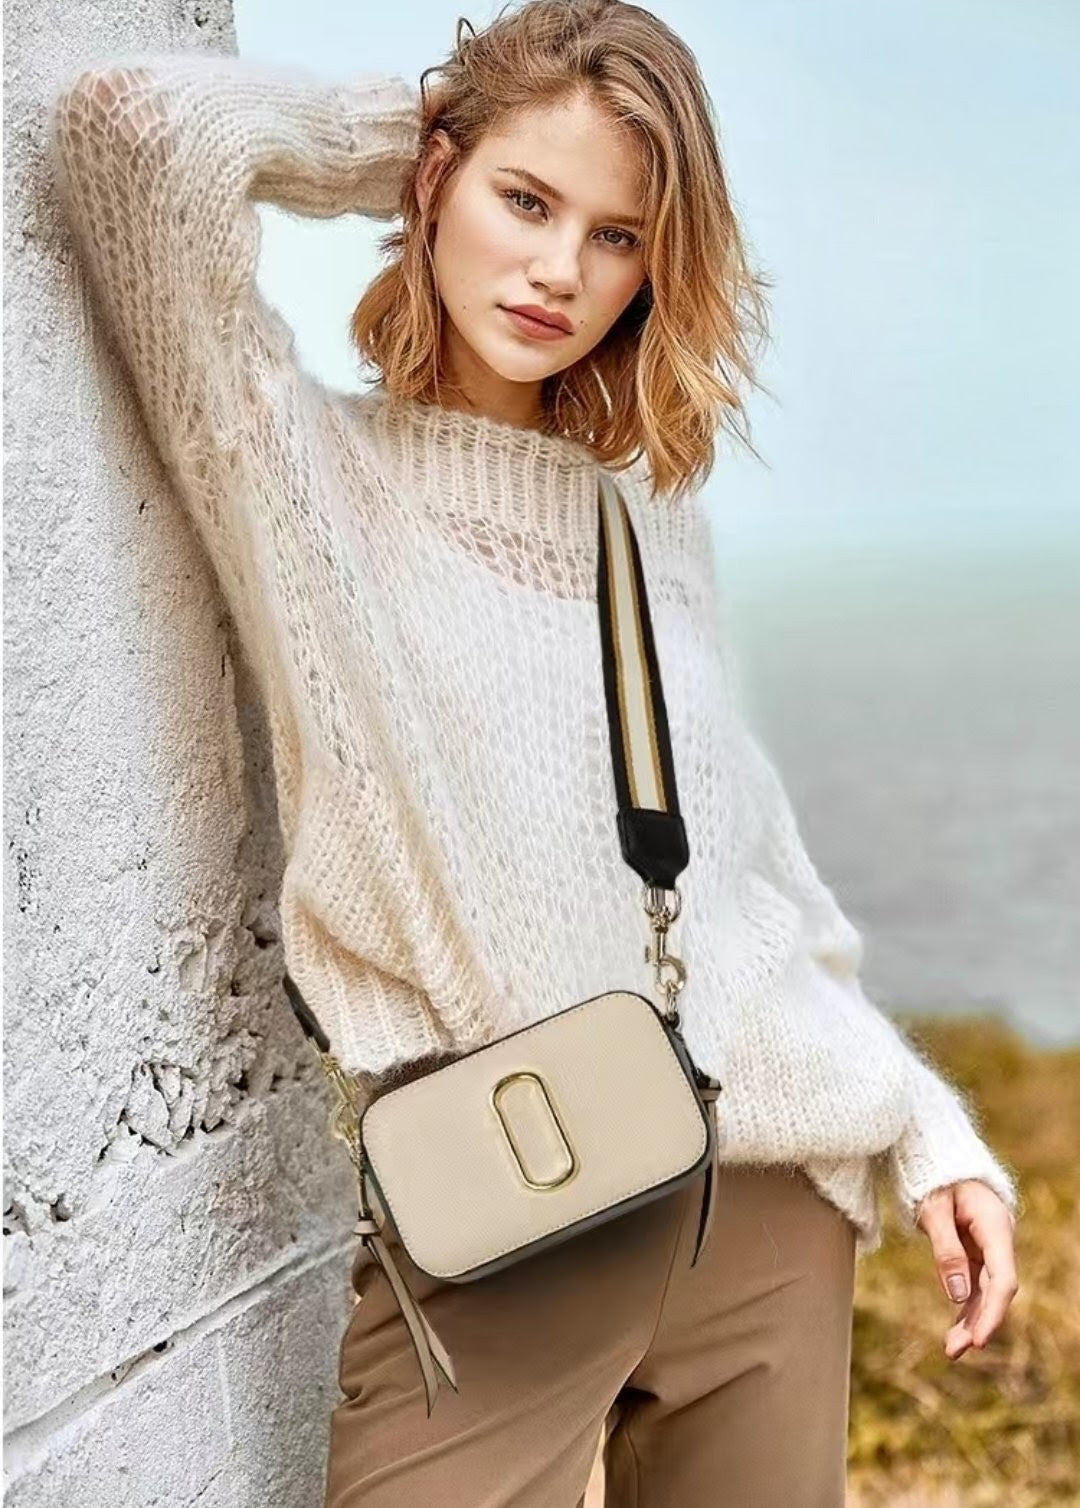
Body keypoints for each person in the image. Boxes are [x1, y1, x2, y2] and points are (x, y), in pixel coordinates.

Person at [47, 2, 1020, 1503]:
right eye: (526, 200)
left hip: (766, 1218)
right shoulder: (301, 469)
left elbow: (758, 886)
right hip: (503, 1216)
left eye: (618, 235)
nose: (563, 269)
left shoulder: (647, 526)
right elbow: (133, 136)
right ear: (442, 181)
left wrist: (930, 1129)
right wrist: (417, 134)